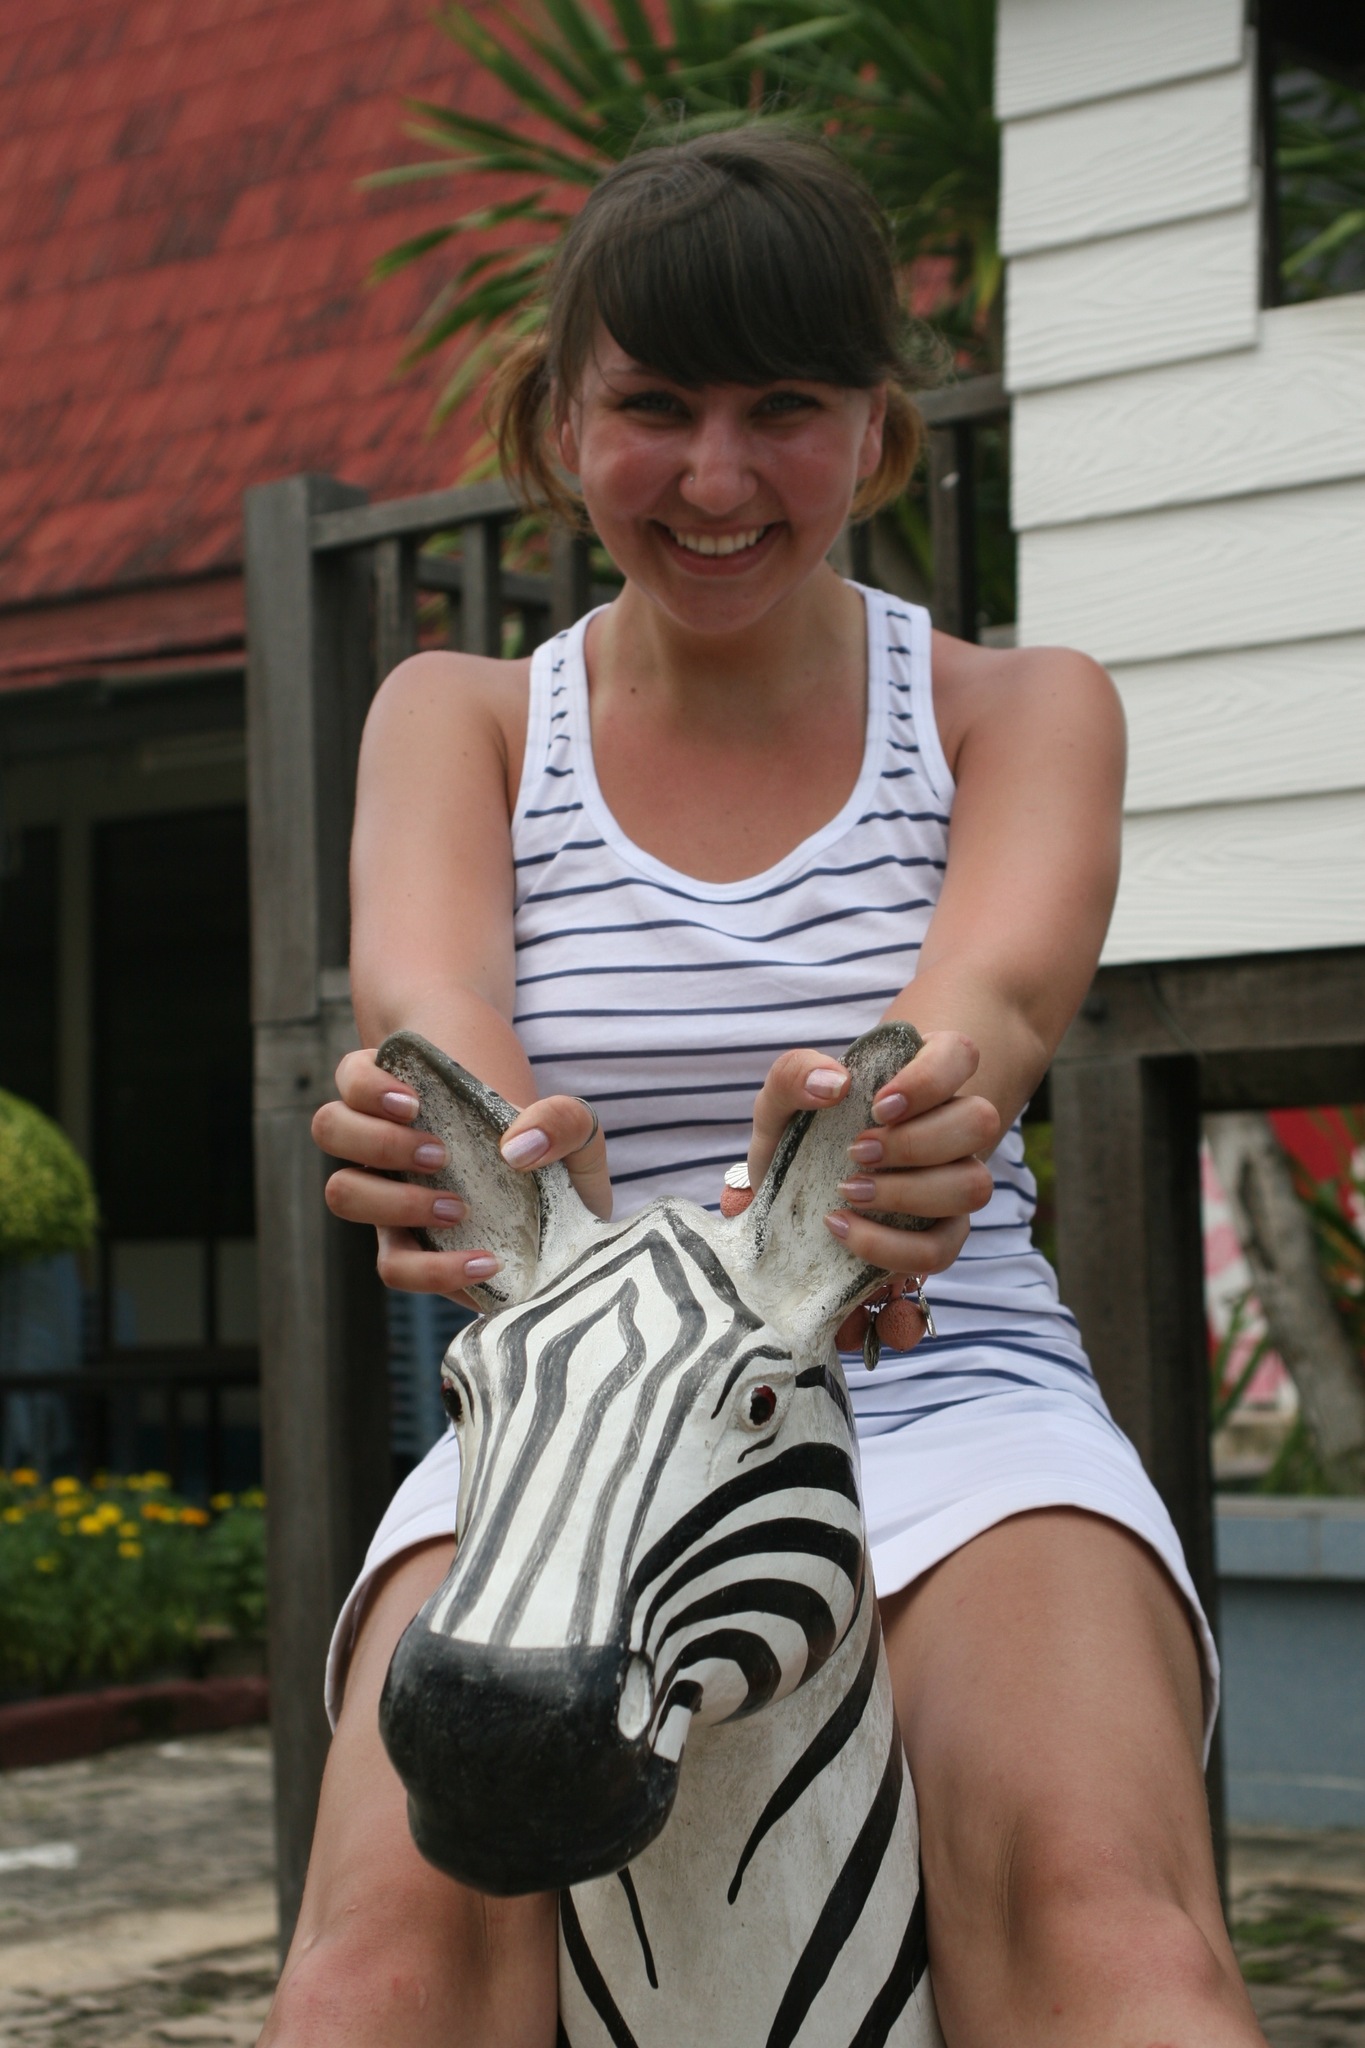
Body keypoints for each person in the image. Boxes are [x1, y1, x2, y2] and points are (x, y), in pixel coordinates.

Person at [260, 129, 1265, 2048]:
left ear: (875, 432)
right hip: (567, 1433)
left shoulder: (1013, 709)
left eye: (783, 409)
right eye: (654, 406)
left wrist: (897, 1133)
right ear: (561, 421)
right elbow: (427, 1001)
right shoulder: (459, 716)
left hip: (940, 1400)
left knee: (1105, 1933)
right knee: (374, 1975)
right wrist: (466, 1140)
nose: (715, 479)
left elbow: (983, 1006)